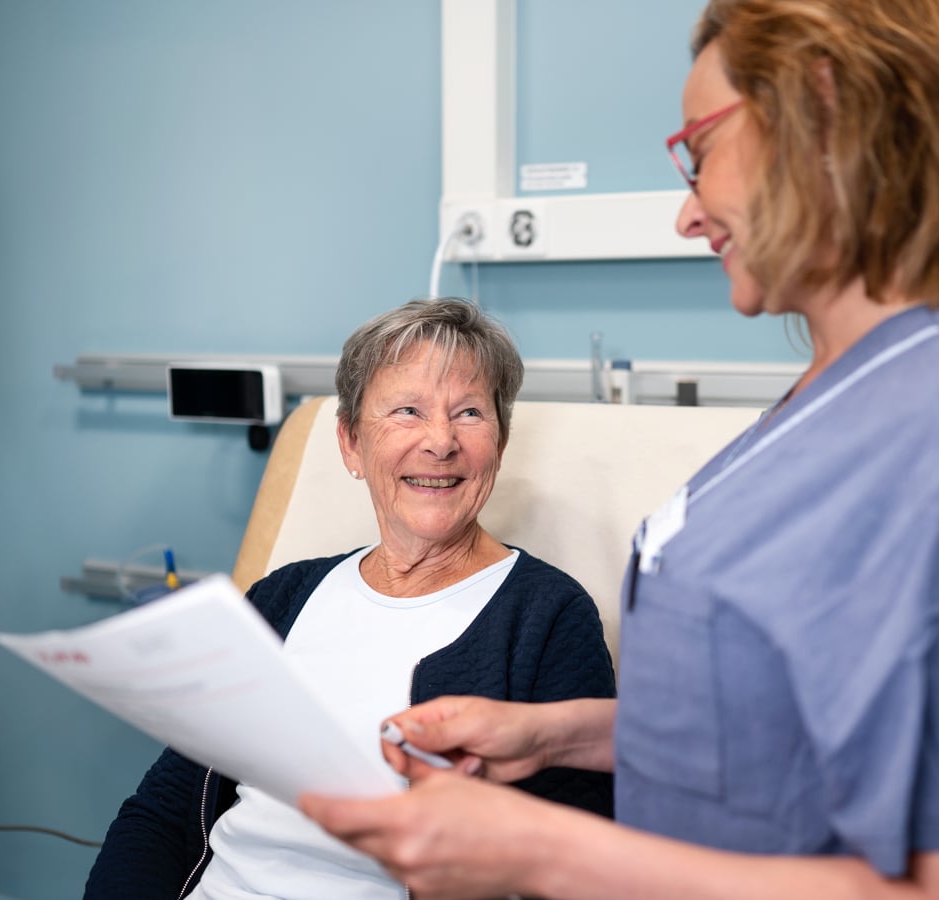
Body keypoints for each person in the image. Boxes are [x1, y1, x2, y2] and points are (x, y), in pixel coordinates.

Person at [298, 2, 939, 898]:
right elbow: (771, 731)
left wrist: (535, 850)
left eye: (700, 151)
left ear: (824, 120)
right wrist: (549, 737)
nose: (688, 215)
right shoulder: (843, 392)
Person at [83, 298, 616, 899]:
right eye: (408, 411)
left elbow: (577, 856)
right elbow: (163, 809)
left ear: (501, 440)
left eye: (469, 412)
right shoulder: (280, 597)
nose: (440, 442)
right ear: (350, 443)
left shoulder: (547, 615)